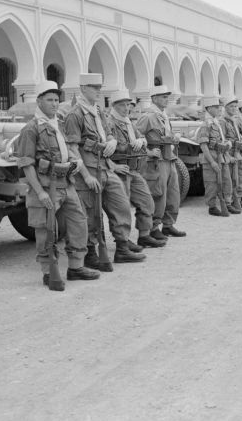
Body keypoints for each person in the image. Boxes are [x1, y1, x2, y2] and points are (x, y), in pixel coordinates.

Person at [16, 80, 100, 291]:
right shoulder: (31, 129)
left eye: (56, 100)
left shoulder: (59, 124)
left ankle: (76, 267)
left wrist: (77, 165)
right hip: (46, 187)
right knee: (46, 231)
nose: (54, 104)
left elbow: (70, 149)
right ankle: (48, 272)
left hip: (66, 184)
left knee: (79, 222)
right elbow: (27, 165)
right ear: (39, 101)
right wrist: (40, 193)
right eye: (49, 100)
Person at [64, 73, 145, 268]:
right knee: (91, 215)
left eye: (100, 87)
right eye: (94, 87)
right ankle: (91, 253)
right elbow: (72, 149)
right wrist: (84, 175)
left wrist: (112, 140)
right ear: (83, 88)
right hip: (90, 170)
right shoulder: (75, 114)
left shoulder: (98, 111)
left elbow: (108, 132)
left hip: (107, 167)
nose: (98, 91)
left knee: (122, 205)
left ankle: (123, 247)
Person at [106, 90, 167, 249]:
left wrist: (141, 140)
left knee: (147, 201)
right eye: (122, 105)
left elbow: (142, 137)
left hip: (134, 170)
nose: (127, 108)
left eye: (128, 105)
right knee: (122, 209)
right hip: (120, 171)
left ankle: (144, 235)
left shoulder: (128, 123)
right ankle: (123, 242)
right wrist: (113, 167)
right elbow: (100, 151)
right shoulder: (109, 123)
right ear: (114, 106)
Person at [135, 85, 187, 238]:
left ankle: (168, 224)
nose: (167, 100)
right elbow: (136, 138)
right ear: (154, 98)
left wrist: (174, 138)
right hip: (156, 163)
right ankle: (153, 228)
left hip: (169, 158)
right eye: (163, 97)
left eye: (167, 97)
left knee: (173, 194)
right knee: (158, 194)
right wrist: (148, 152)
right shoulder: (148, 116)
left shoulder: (163, 115)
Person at [196, 96, 234, 216]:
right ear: (209, 108)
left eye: (220, 107)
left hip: (221, 156)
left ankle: (227, 204)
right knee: (212, 183)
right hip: (211, 158)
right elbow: (203, 145)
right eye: (217, 107)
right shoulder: (205, 125)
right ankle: (212, 207)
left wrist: (227, 143)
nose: (220, 109)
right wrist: (212, 162)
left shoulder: (216, 122)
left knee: (226, 181)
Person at [220, 96, 242, 210]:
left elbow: (236, 134)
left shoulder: (233, 120)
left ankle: (238, 197)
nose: (234, 108)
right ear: (225, 108)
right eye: (231, 106)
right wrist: (227, 155)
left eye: (235, 106)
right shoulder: (222, 121)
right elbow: (222, 139)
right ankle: (230, 201)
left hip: (237, 152)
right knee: (230, 180)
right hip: (230, 153)